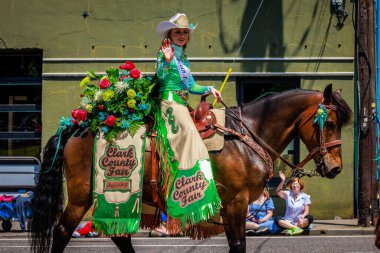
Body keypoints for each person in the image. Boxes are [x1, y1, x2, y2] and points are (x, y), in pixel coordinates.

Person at [154, 13, 222, 224]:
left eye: (185, 32)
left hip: (182, 103)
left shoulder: (183, 57)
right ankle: (189, 187)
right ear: (170, 33)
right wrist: (165, 62)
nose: (182, 35)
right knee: (192, 134)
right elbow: (160, 77)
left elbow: (191, 86)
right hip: (169, 102)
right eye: (178, 32)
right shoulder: (165, 52)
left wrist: (210, 88)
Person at [275, 171, 314, 236]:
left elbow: (306, 211)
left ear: (300, 185)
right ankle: (296, 229)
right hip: (287, 221)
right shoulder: (288, 194)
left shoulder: (305, 196)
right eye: (293, 184)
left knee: (310, 218)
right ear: (291, 186)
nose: (295, 185)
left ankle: (291, 229)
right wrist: (283, 180)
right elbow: (278, 192)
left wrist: (301, 218)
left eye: (297, 184)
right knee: (277, 219)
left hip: (300, 221)